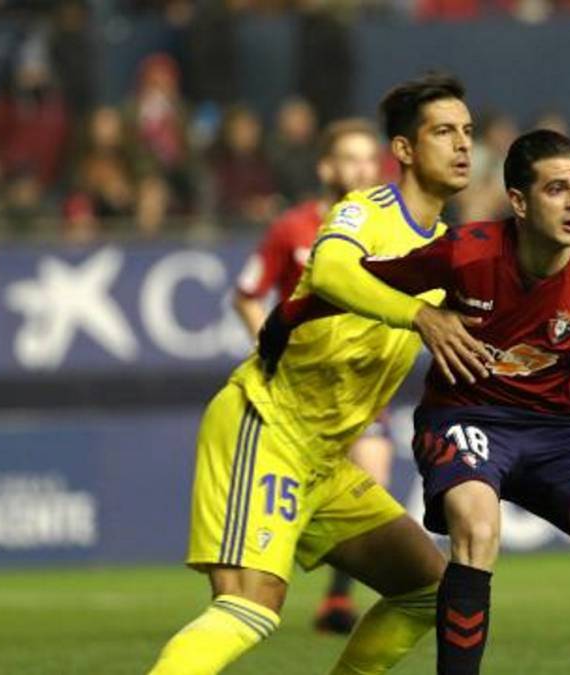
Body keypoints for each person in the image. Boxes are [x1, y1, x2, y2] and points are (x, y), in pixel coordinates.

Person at [264, 129, 570, 675]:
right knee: (478, 525)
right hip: (461, 419)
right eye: (556, 189)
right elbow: (372, 282)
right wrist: (289, 317)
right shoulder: (468, 252)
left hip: (549, 430)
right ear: (518, 200)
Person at [147, 72, 490, 675]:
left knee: (430, 589)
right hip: (268, 426)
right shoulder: (366, 209)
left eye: (467, 131)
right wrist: (420, 316)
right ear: (404, 151)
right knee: (252, 604)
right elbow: (331, 272)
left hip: (324, 461)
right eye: (443, 131)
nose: (462, 144)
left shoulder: (447, 252)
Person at [231, 117, 397, 635]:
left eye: (369, 158)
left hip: (358, 386)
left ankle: (336, 601)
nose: (361, 167)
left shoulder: (389, 232)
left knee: (371, 475)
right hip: (298, 390)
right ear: (327, 166)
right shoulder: (292, 228)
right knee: (286, 501)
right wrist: (271, 348)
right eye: (350, 157)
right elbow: (247, 293)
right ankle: (249, 593)